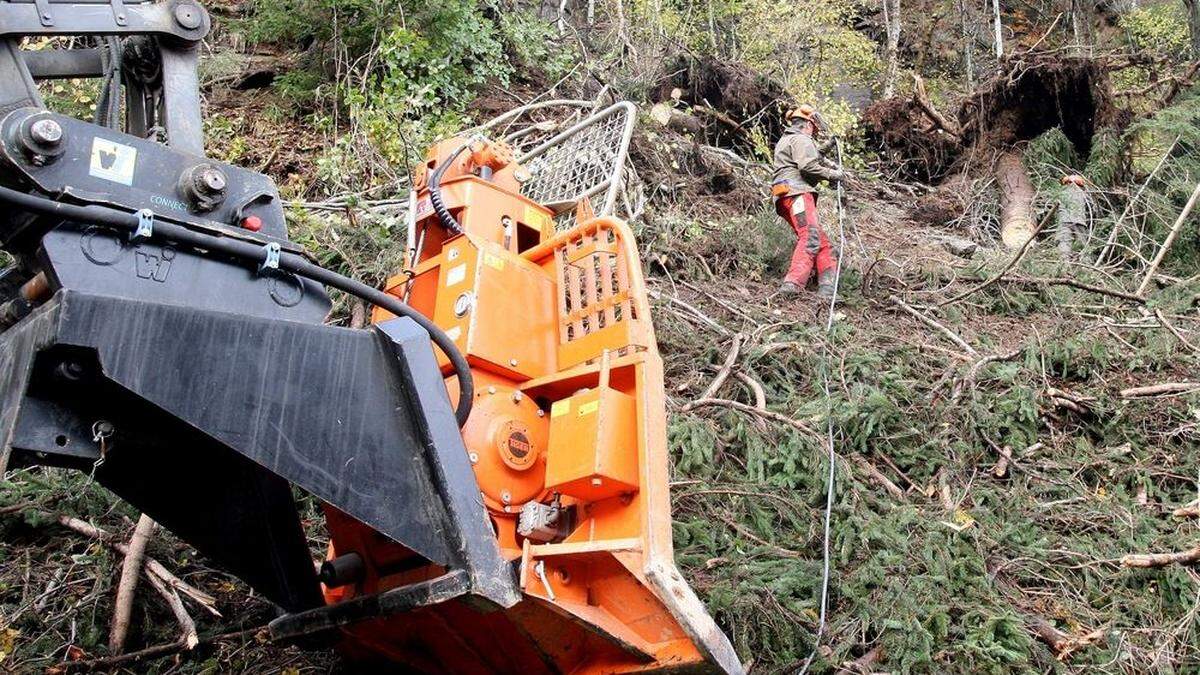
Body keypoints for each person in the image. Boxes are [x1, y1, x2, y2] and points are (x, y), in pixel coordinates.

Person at [770, 105, 846, 299]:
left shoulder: (788, 140)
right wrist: (832, 174)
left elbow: (808, 156)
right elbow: (807, 165)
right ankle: (793, 284)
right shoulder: (802, 139)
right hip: (797, 194)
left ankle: (827, 289)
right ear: (809, 125)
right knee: (810, 237)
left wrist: (827, 146)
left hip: (785, 196)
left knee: (822, 243)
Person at [1057, 174, 1089, 260]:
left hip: (1064, 221)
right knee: (1081, 244)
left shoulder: (1062, 192)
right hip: (1080, 221)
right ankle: (1083, 264)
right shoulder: (1083, 194)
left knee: (1064, 242)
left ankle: (1064, 264)